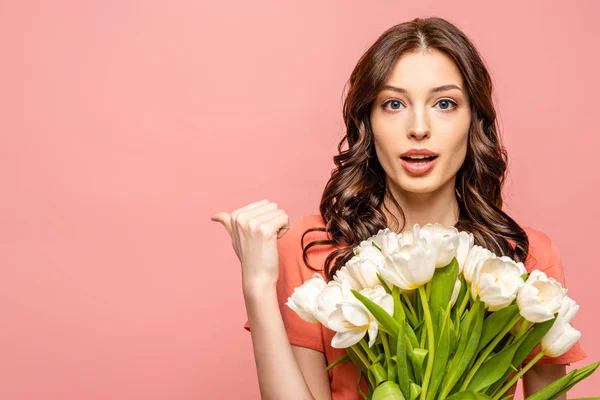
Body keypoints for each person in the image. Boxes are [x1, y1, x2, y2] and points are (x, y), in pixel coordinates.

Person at [211, 16, 586, 400]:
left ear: (474, 120)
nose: (418, 127)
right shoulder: (309, 251)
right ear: (368, 122)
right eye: (393, 104)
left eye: (444, 103)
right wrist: (257, 287)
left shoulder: (525, 258)